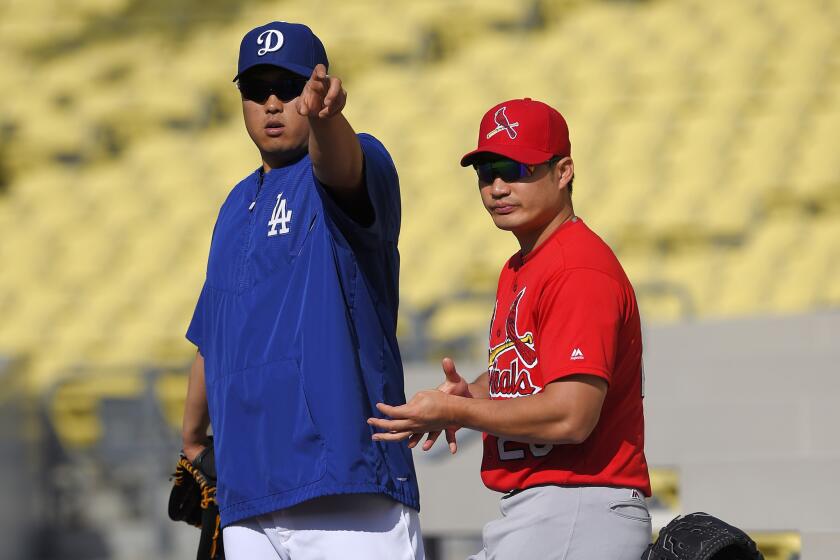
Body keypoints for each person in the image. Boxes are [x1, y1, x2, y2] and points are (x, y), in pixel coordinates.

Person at [180, 21, 424, 560]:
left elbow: (339, 166)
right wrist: (193, 437)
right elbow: (211, 332)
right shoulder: (233, 207)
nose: (272, 102)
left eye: (288, 87)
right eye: (255, 89)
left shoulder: (353, 159)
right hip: (249, 500)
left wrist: (327, 122)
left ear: (318, 88)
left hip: (346, 487)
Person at [368, 98, 651, 560]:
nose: (498, 186)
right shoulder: (523, 266)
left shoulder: (577, 267)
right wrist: (474, 394)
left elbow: (571, 415)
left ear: (563, 172)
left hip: (579, 504)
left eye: (517, 168)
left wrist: (456, 413)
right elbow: (529, 379)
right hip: (548, 511)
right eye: (486, 172)